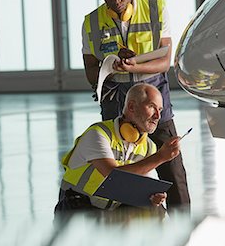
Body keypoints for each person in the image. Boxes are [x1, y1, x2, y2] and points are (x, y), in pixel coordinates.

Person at [81, 0, 190, 212]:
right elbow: (89, 70)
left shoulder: (155, 10)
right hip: (117, 106)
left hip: (154, 105)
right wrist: (108, 67)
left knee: (172, 170)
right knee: (120, 176)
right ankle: (124, 225)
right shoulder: (91, 22)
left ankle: (183, 227)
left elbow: (165, 61)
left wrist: (133, 67)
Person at [54, 83, 180, 216]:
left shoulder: (149, 146)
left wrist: (153, 197)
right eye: (152, 107)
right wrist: (160, 157)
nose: (157, 116)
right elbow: (113, 176)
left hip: (111, 211)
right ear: (131, 107)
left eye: (160, 110)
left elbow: (143, 188)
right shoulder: (98, 134)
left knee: (155, 212)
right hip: (77, 207)